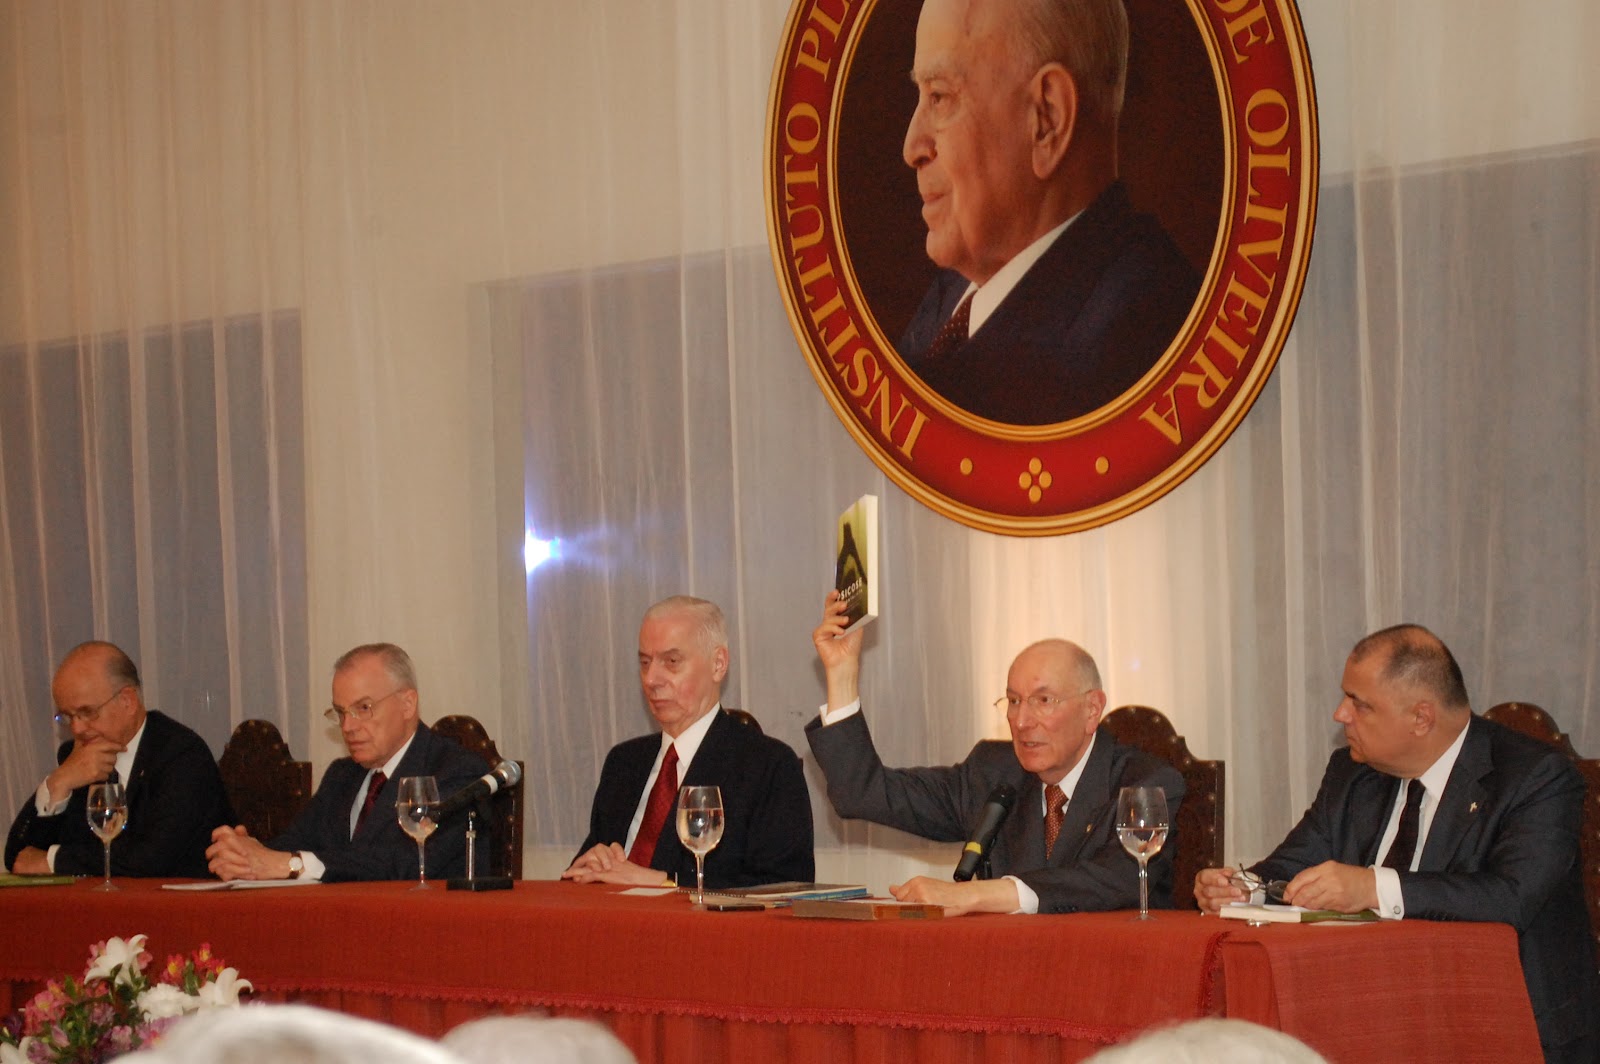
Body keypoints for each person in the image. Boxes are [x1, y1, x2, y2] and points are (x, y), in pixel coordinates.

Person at [1194, 625, 1599, 1063]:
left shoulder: (1535, 777)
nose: (1340, 714)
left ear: (1421, 718)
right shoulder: (1354, 773)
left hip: (1504, 1023)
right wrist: (1243, 887)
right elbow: (1293, 864)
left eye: (1360, 704)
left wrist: (1372, 887)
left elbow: (1511, 896)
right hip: (1371, 1013)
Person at [896, 0, 1200, 425]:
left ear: (1047, 119)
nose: (912, 147)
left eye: (939, 97)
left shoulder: (1135, 331)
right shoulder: (955, 296)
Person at [806, 591, 1184, 915]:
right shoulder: (993, 772)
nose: (1021, 721)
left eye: (1043, 701)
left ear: (1091, 709)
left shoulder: (1145, 784)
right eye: (1014, 700)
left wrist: (975, 895)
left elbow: (1119, 879)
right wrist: (841, 674)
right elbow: (865, 794)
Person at [563, 596, 814, 889]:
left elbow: (785, 886)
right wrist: (592, 865)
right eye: (645, 662)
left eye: (671, 662)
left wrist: (665, 882)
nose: (651, 679)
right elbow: (582, 874)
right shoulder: (624, 762)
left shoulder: (767, 766)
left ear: (718, 664)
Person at [206, 643, 488, 883]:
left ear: (407, 704)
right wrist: (246, 855)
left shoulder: (458, 771)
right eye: (341, 712)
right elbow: (293, 845)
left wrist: (293, 865)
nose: (347, 726)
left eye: (363, 708)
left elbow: (404, 863)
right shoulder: (342, 776)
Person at [5, 642, 232, 878]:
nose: (77, 728)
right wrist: (58, 783)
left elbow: (149, 859)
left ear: (127, 701)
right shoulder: (78, 759)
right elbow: (17, 856)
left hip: (185, 898)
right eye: (68, 716)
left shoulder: (181, 755)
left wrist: (53, 861)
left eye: (87, 713)